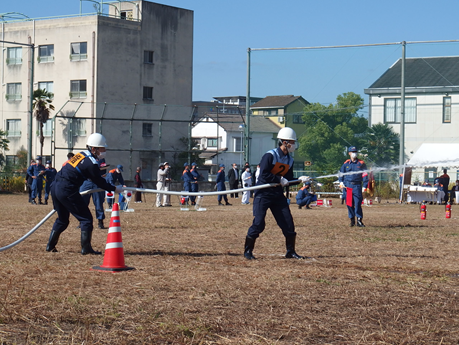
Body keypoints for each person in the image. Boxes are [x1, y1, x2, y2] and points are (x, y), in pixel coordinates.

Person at [46, 133, 122, 255]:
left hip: (55, 187)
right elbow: (99, 181)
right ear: (94, 149)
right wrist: (114, 188)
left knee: (62, 219)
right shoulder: (91, 163)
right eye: (102, 148)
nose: (104, 150)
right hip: (67, 189)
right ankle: (86, 249)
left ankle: (50, 246)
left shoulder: (81, 155)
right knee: (86, 219)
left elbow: (81, 170)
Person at [244, 127, 310, 260]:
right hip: (263, 193)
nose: (294, 145)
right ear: (285, 142)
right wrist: (279, 179)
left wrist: (300, 180)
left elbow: (288, 181)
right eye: (292, 142)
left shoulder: (290, 160)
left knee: (288, 223)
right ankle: (248, 251)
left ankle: (290, 251)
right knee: (259, 223)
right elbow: (263, 174)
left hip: (277, 194)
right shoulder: (270, 155)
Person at [339, 146, 369, 227]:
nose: (354, 153)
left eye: (355, 151)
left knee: (358, 203)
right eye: (352, 152)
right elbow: (341, 173)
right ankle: (352, 220)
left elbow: (365, 174)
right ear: (349, 153)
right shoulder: (346, 164)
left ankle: (359, 220)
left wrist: (365, 186)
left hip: (357, 186)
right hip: (348, 186)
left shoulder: (361, 163)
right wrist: (341, 182)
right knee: (349, 204)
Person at [79, 159, 107, 229]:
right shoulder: (86, 157)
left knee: (98, 203)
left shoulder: (101, 159)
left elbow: (103, 169)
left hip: (96, 182)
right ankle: (82, 221)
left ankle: (100, 222)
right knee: (82, 202)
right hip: (86, 182)